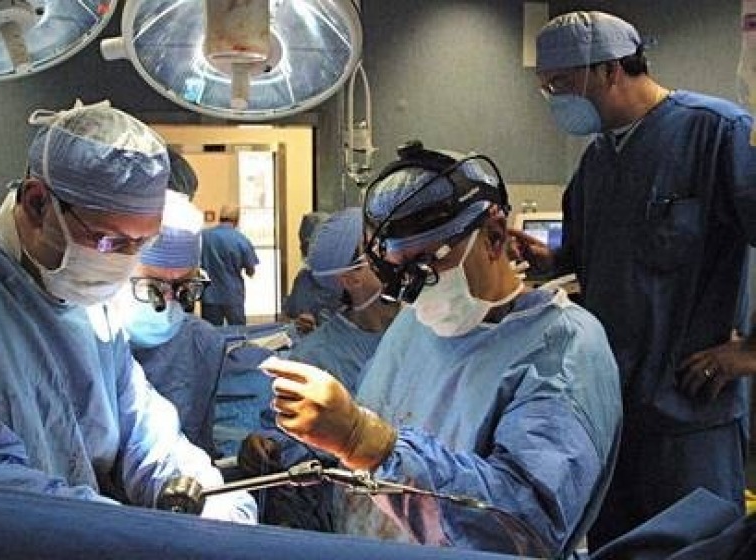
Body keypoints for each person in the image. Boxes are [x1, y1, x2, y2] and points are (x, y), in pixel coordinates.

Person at [257, 141, 622, 557]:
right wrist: (308, 441)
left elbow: (524, 531)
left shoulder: (563, 348)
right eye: (398, 271)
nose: (414, 291)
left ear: (494, 237)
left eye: (426, 264)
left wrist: (366, 442)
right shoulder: (414, 325)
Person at [0, 100, 256, 523]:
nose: (123, 261)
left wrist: (209, 496)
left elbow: (144, 430)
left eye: (142, 244)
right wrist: (126, 533)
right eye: (109, 241)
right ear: (37, 203)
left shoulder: (94, 306)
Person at [513, 10, 756, 549]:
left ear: (609, 69)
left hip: (690, 415)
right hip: (612, 411)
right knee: (617, 548)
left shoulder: (718, 133)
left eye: (561, 83)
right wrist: (547, 260)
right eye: (546, 87)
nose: (554, 98)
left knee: (700, 550)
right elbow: (596, 258)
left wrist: (749, 353)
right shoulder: (598, 161)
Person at [238, 207, 401, 531]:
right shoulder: (315, 357)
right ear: (351, 277)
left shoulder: (424, 330)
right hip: (363, 514)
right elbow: (285, 439)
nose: (397, 255)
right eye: (381, 248)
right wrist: (269, 445)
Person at [112, 189, 223, 456]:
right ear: (119, 272)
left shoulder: (203, 343)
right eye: (153, 286)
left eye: (184, 287)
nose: (168, 301)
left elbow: (199, 443)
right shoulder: (89, 337)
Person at [200, 204, 259, 326]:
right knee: (238, 332)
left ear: (220, 218)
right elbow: (250, 271)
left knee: (211, 332)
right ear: (236, 220)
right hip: (233, 295)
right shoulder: (241, 239)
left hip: (209, 295)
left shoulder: (204, 236)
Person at [281, 211, 338, 335]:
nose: (303, 249)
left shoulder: (343, 281)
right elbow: (288, 315)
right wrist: (296, 323)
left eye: (309, 245)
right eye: (303, 245)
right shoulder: (303, 278)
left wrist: (317, 328)